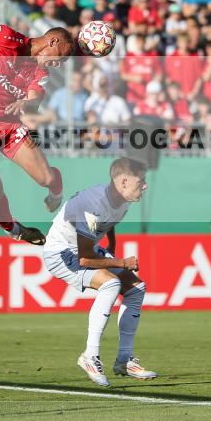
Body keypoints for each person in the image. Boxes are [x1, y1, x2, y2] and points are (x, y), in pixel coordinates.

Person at [0, 22, 74, 244]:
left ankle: (56, 192)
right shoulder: (6, 38)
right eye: (61, 57)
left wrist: (25, 103)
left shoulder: (40, 71)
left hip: (8, 124)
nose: (58, 64)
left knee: (46, 178)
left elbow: (35, 98)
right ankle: (14, 229)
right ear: (52, 41)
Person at [41, 157, 157, 387]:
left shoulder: (122, 199)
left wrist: (111, 252)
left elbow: (110, 223)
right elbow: (84, 258)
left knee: (136, 289)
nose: (144, 185)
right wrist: (121, 262)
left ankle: (124, 359)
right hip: (61, 253)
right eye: (140, 181)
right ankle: (89, 356)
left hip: (86, 249)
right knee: (111, 284)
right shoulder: (93, 204)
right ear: (124, 181)